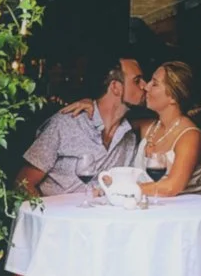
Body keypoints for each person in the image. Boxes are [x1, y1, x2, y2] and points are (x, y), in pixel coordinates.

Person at [15, 48, 144, 199]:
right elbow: (22, 183)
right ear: (115, 87)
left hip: (100, 221)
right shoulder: (65, 124)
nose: (145, 86)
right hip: (58, 218)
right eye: (137, 81)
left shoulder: (129, 137)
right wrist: (48, 216)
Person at [135, 61, 201, 197]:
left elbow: (172, 186)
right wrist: (89, 104)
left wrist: (127, 189)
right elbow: (111, 119)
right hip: (157, 206)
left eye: (154, 84)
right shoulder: (147, 127)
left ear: (173, 97)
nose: (146, 87)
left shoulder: (190, 136)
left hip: (195, 210)